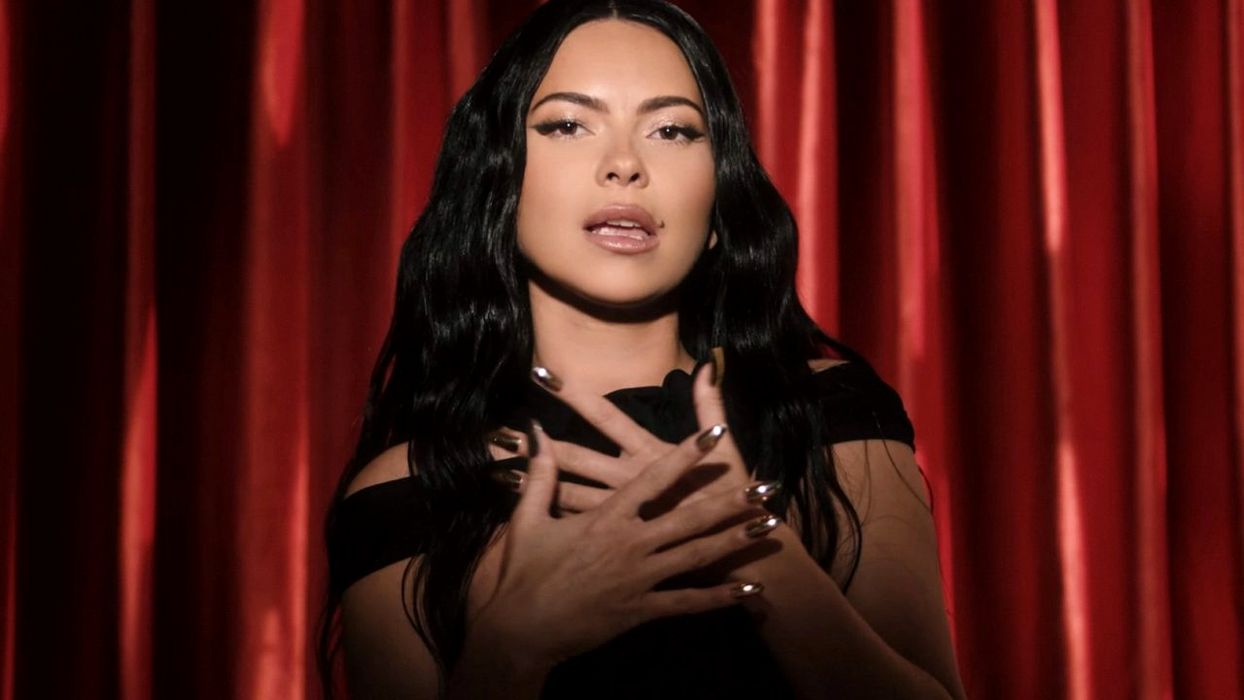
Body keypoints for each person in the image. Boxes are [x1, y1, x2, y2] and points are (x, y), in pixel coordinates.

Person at [317, 0, 966, 697]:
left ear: (717, 203)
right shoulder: (409, 490)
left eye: (672, 130)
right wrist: (509, 651)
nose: (625, 164)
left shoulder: (831, 418)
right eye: (568, 124)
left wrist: (760, 554)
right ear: (497, 181)